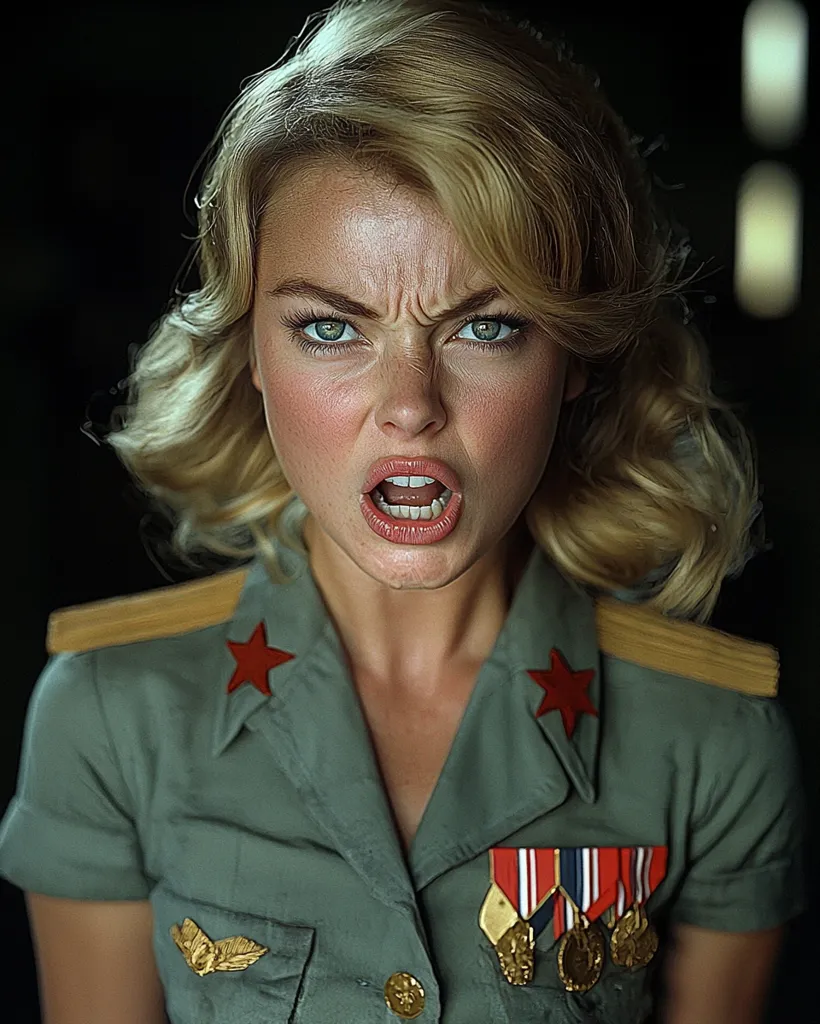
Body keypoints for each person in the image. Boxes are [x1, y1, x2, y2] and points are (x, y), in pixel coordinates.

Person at [0, 0, 806, 1021]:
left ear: (575, 356)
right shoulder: (110, 717)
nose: (411, 405)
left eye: (487, 327)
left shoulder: (713, 743)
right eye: (331, 327)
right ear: (252, 351)